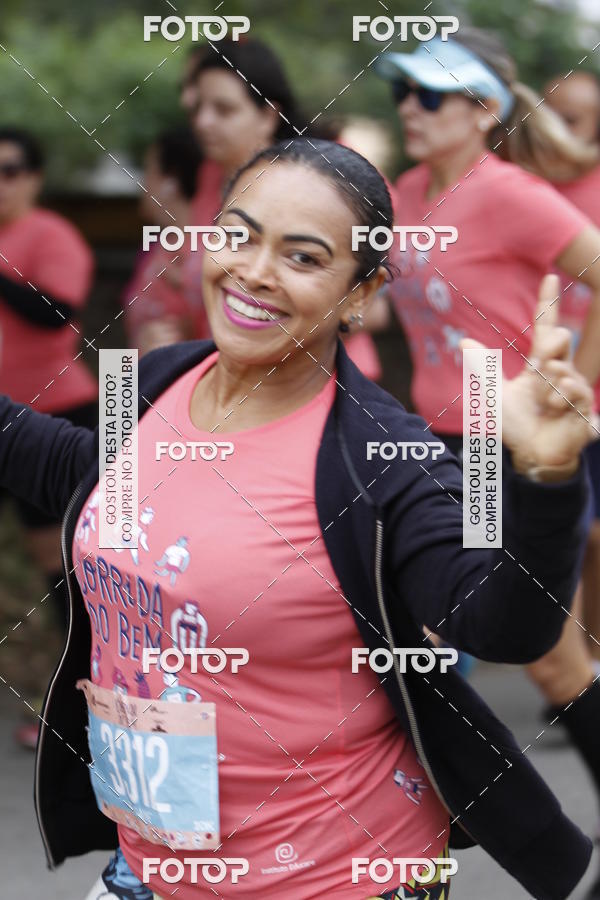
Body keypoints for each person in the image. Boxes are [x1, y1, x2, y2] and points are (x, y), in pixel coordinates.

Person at [1, 139, 597, 900]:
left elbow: (503, 628)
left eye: (304, 257)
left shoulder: (379, 457)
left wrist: (546, 478)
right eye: (238, 235)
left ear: (360, 293)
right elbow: (71, 470)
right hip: (150, 866)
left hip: (335, 876)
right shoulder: (151, 377)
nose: (254, 271)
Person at [375, 32, 600, 893]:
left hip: (502, 445)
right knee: (432, 644)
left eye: (430, 95)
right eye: (403, 92)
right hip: (438, 445)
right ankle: (418, 848)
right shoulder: (402, 194)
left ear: (483, 109)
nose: (410, 108)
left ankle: (455, 843)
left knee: (542, 661)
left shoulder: (511, 195)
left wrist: (574, 385)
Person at [186, 38, 386, 378]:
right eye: (197, 107)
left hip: (319, 385)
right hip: (228, 382)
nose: (203, 121)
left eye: (224, 109)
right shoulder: (209, 177)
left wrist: (272, 341)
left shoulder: (336, 175)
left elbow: (376, 310)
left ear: (268, 115)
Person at [0, 127, 97, 747]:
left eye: (10, 169)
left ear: (34, 177)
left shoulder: (50, 234)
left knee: (63, 563)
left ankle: (81, 697)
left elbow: (56, 312)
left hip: (56, 419)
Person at [544, 71, 600, 668]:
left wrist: (575, 386)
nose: (557, 131)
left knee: (592, 535)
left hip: (582, 398)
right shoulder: (525, 185)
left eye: (573, 120)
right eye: (549, 114)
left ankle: (584, 669)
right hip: (504, 404)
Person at [121, 127, 204, 355]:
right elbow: (133, 341)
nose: (142, 183)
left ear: (171, 182)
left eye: (148, 170)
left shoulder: (198, 256)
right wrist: (114, 378)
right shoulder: (155, 248)